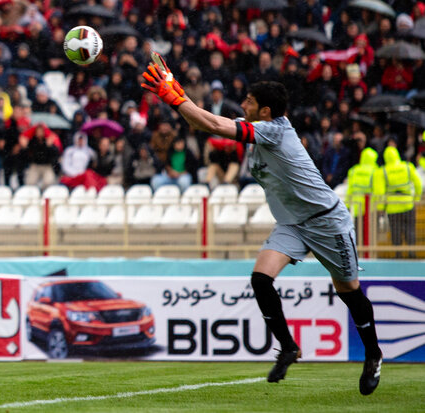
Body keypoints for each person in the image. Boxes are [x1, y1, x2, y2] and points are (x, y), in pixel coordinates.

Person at [141, 60, 382, 395]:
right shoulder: (262, 127)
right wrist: (179, 93)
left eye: (249, 102)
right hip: (293, 224)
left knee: (348, 290)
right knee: (260, 278)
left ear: (265, 111)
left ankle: (373, 354)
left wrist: (173, 97)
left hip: (327, 221)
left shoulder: (274, 130)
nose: (243, 106)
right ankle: (287, 347)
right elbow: (206, 125)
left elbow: (212, 124)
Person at [374, 146, 422, 259]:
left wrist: (381, 208)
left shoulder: (383, 171)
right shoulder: (407, 167)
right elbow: (418, 184)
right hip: (408, 204)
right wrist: (416, 198)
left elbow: (379, 192)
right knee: (410, 231)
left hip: (392, 207)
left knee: (396, 232)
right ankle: (412, 254)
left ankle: (398, 255)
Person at [346, 147, 378, 240]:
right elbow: (377, 190)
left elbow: (350, 189)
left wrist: (347, 205)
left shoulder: (353, 170)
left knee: (359, 234)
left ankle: (359, 252)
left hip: (357, 207)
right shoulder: (375, 171)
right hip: (371, 207)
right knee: (370, 235)